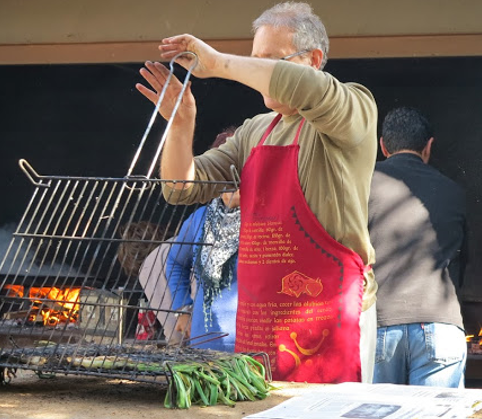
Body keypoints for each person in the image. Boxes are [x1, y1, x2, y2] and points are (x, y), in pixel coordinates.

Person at [136, 2, 378, 383]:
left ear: (314, 59)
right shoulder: (254, 131)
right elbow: (180, 187)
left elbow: (305, 88)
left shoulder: (352, 109)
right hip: (261, 323)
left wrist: (218, 64)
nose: (258, 72)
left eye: (271, 61)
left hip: (329, 321)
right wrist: (181, 126)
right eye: (255, 60)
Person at [369, 107, 467, 388]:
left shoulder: (362, 185)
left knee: (378, 409)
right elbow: (462, 262)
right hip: (442, 324)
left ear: (383, 146)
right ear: (428, 146)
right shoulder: (455, 191)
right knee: (436, 410)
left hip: (380, 324)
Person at [165, 128, 240, 352]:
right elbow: (175, 263)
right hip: (203, 342)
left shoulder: (269, 219)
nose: (232, 180)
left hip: (253, 346)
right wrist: (182, 309)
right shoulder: (200, 219)